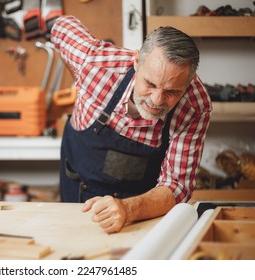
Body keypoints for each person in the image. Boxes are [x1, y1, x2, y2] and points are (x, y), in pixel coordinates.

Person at [51, 15, 212, 234]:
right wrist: (78, 75)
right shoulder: (94, 64)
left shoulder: (195, 105)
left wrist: (129, 208)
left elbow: (177, 185)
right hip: (78, 188)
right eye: (150, 84)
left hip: (140, 208)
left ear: (188, 82)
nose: (157, 101)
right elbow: (62, 25)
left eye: (172, 92)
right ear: (136, 61)